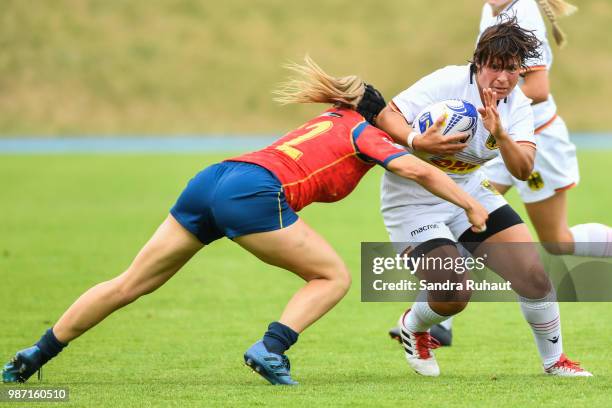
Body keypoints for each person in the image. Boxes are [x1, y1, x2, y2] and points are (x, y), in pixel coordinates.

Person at [1, 56, 488, 386]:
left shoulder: (328, 121)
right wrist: (468, 204)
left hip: (213, 179)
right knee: (333, 276)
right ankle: (271, 348)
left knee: (130, 282)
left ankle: (35, 356)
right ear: (378, 116)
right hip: (254, 192)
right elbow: (412, 166)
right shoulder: (364, 130)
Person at [376, 19, 592, 377]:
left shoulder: (517, 105)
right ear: (478, 63)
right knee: (455, 292)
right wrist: (418, 142)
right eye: (494, 66)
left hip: (469, 190)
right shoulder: (448, 81)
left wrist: (501, 135)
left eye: (511, 69)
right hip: (412, 202)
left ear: (520, 71)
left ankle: (555, 362)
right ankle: (413, 326)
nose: (503, 78)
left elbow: (523, 169)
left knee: (534, 277)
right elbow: (388, 115)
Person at [413, 0, 612, 349]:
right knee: (472, 216)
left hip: (536, 140)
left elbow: (538, 89)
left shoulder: (523, 12)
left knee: (557, 240)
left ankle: (438, 319)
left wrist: (480, 106)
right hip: (494, 138)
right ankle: (440, 320)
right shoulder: (492, 9)